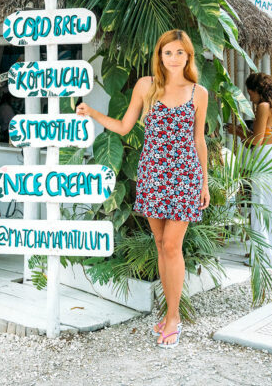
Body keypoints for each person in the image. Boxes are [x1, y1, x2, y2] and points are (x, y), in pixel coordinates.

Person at [77, 30, 208, 349]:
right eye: (168, 52)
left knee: (173, 246)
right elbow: (124, 127)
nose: (174, 58)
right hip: (153, 175)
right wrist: (93, 113)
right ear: (159, 55)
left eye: (180, 53)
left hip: (184, 176)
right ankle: (167, 314)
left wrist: (204, 181)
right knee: (161, 243)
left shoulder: (198, 92)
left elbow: (198, 139)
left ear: (188, 56)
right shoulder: (146, 86)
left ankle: (174, 318)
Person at [225, 72, 272, 266]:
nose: (249, 97)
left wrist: (237, 131)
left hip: (264, 159)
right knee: (270, 206)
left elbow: (257, 140)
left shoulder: (263, 107)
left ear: (257, 90)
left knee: (261, 204)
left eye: (250, 92)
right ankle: (268, 252)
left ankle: (261, 257)